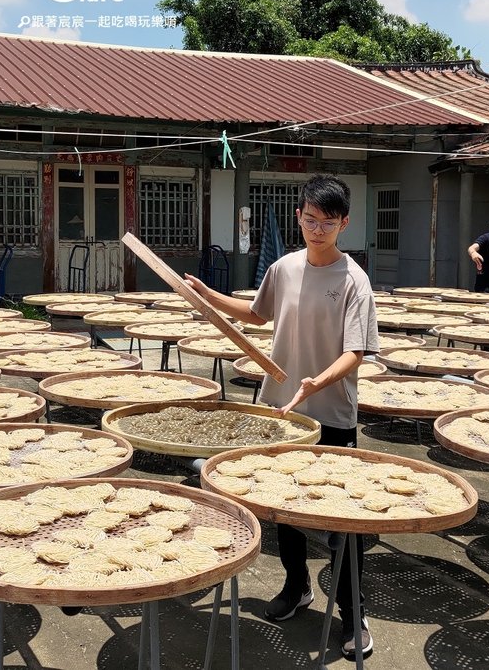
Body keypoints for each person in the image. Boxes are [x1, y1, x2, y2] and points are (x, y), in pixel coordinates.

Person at [186, 174, 378, 659]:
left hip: (331, 412)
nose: (318, 229)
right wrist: (209, 296)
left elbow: (357, 351)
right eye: (310, 219)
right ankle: (297, 588)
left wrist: (318, 381)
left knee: (344, 519)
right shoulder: (285, 267)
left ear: (344, 224)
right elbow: (256, 315)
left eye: (328, 222)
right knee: (282, 506)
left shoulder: (354, 280)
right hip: (282, 412)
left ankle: (354, 617)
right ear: (299, 216)